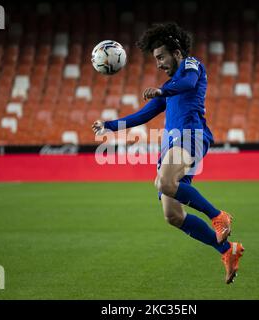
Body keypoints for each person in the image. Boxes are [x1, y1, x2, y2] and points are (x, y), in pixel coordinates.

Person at [92, 23, 244, 284]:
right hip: (170, 147)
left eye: (161, 56)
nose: (159, 63)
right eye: (156, 59)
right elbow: (143, 114)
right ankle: (227, 250)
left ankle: (218, 216)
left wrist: (163, 90)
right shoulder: (169, 85)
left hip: (191, 136)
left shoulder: (191, 66)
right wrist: (109, 125)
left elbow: (188, 83)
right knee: (172, 216)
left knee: (164, 182)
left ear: (176, 52)